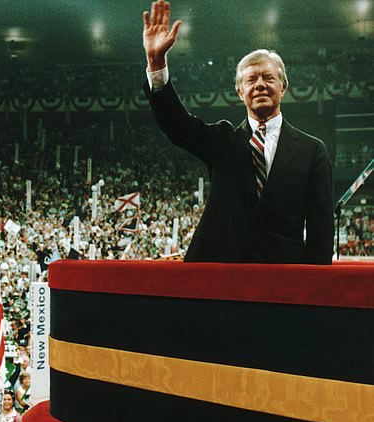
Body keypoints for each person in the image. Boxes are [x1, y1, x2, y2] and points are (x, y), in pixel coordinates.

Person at [142, 0, 333, 264]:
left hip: (281, 273)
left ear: (284, 87)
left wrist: (315, 288)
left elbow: (320, 225)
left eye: (268, 77)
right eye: (251, 80)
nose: (260, 85)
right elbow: (177, 126)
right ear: (240, 92)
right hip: (218, 270)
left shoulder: (312, 151)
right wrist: (156, 64)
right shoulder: (222, 140)